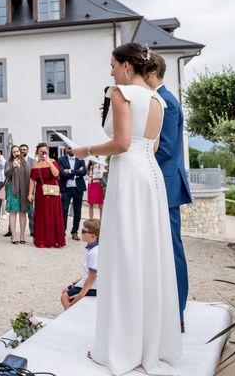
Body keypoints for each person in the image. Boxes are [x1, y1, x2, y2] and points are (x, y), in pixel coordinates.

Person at [72, 42, 180, 374]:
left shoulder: (121, 93)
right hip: (151, 177)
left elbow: (120, 143)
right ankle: (150, 343)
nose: (111, 71)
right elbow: (155, 144)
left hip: (128, 176)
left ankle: (122, 345)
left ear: (127, 67)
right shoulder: (159, 100)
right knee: (150, 254)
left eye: (113, 65)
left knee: (124, 254)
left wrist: (85, 149)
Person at [147, 53, 192, 332]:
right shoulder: (158, 101)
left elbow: (164, 149)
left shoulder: (168, 103)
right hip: (159, 181)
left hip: (166, 183)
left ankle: (178, 312)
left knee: (173, 249)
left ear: (151, 70)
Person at [28, 143, 65, 248]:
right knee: (42, 215)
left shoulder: (53, 161)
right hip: (41, 192)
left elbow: (56, 174)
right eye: (41, 151)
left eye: (45, 151)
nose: (43, 153)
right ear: (37, 153)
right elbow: (32, 180)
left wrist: (50, 163)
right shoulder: (35, 164)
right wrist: (30, 194)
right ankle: (43, 240)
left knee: (53, 214)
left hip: (53, 191)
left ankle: (55, 240)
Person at [61, 219, 100, 310]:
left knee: (64, 297)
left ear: (93, 236)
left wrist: (81, 295)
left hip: (94, 286)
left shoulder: (94, 253)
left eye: (83, 231)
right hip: (90, 282)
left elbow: (92, 277)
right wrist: (79, 280)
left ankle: (70, 319)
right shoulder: (92, 248)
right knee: (65, 291)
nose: (81, 233)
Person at [58, 146, 87, 240]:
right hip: (65, 189)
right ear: (66, 149)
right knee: (64, 210)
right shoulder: (61, 159)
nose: (70, 150)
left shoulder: (80, 158)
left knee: (77, 211)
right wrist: (76, 173)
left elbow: (84, 172)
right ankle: (62, 232)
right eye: (69, 148)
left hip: (78, 188)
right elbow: (61, 173)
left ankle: (74, 232)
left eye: (72, 148)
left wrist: (70, 171)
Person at [4, 145, 31, 244]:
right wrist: (13, 166)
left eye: (17, 151)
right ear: (11, 153)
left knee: (23, 212)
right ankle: (14, 235)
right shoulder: (8, 162)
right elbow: (6, 174)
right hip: (13, 190)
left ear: (20, 152)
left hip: (23, 190)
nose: (16, 153)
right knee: (13, 212)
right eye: (13, 151)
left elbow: (29, 175)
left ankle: (22, 235)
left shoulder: (25, 162)